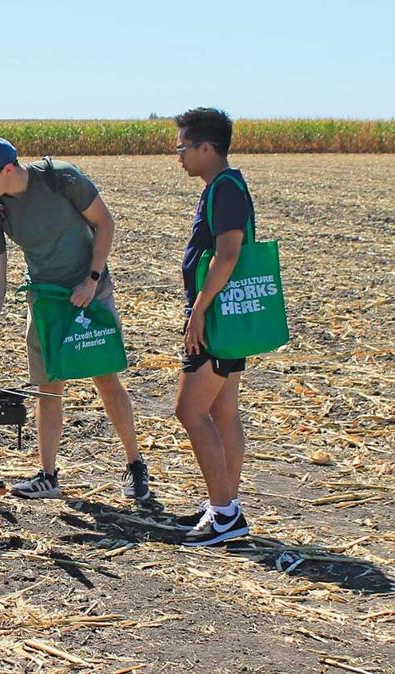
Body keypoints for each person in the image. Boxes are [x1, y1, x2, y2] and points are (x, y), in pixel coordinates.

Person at [0, 136, 150, 502]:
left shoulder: (62, 179)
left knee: (105, 377)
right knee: (48, 386)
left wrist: (91, 280)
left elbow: (104, 224)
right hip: (46, 301)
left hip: (89, 292)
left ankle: (135, 464)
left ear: (8, 169)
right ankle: (48, 474)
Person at [172, 108, 252, 546]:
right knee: (222, 411)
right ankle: (223, 505)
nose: (179, 155)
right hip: (225, 319)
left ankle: (225, 515)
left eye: (183, 147)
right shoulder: (222, 187)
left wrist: (199, 310)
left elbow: (228, 254)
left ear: (207, 148)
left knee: (189, 410)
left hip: (217, 320)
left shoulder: (224, 190)